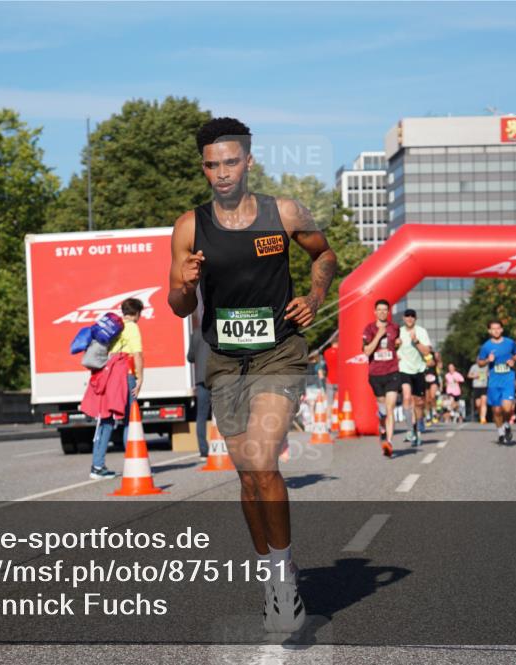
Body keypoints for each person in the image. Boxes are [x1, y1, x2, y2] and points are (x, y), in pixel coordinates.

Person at [167, 117, 337, 633]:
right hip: (222, 360)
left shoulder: (283, 213)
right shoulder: (189, 226)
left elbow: (324, 254)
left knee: (263, 460)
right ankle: (270, 571)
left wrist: (313, 297)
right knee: (247, 477)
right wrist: (185, 282)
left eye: (231, 162)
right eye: (212, 165)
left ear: (248, 161)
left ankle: (283, 578)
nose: (221, 173)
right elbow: (177, 306)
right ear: (203, 167)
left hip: (278, 354)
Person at [89, 298, 145, 480]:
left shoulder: (115, 328)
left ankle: (97, 465)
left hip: (109, 374)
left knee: (106, 419)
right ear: (137, 313)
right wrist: (140, 378)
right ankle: (133, 463)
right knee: (131, 418)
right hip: (125, 375)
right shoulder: (132, 328)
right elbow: (137, 354)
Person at [362, 299, 401, 457]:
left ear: (388, 312)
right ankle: (382, 425)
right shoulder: (369, 329)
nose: (383, 312)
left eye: (385, 310)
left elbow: (396, 345)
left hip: (392, 371)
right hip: (375, 374)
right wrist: (379, 335)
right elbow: (367, 351)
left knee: (390, 407)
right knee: (383, 409)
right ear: (375, 312)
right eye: (380, 310)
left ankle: (389, 442)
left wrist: (398, 344)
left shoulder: (395, 328)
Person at [477, 320, 516, 445]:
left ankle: (507, 425)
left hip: (508, 379)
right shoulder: (486, 346)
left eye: (498, 328)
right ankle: (500, 432)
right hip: (494, 382)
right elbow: (480, 363)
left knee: (507, 408)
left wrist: (513, 359)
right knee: (496, 411)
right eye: (493, 329)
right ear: (489, 331)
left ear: (502, 329)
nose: (496, 331)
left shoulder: (510, 343)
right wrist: (487, 360)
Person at [397, 308, 431, 446]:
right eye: (407, 316)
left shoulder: (421, 331)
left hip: (419, 369)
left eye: (412, 316)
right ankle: (410, 429)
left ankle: (418, 425)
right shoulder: (398, 332)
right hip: (403, 369)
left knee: (419, 402)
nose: (410, 318)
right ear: (403, 319)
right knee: (406, 396)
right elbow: (391, 349)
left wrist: (416, 341)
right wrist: (395, 347)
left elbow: (427, 351)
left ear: (415, 319)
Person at [188, 321, 212, 459]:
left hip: (201, 379)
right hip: (217, 377)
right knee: (223, 414)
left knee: (201, 416)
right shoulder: (217, 330)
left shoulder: (196, 333)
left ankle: (204, 451)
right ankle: (224, 448)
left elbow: (190, 357)